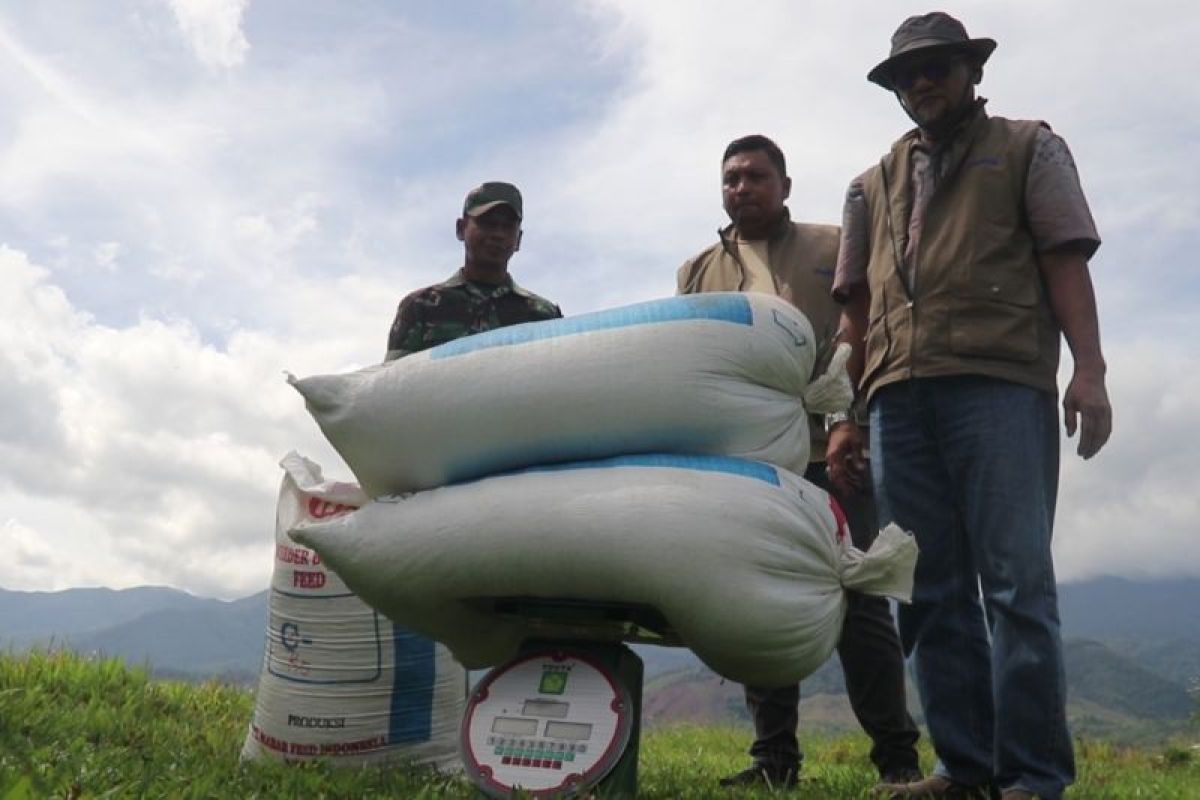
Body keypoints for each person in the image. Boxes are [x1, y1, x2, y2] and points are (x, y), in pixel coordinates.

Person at [829, 12, 1112, 800]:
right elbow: (853, 313)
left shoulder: (1030, 147)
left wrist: (1088, 370)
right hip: (894, 399)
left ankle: (1032, 777)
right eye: (906, 75)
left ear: (971, 72)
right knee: (926, 588)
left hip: (998, 383)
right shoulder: (868, 185)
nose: (922, 82)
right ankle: (965, 769)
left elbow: (1064, 260)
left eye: (938, 67)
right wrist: (846, 414)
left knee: (1016, 583)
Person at [677, 134, 922, 792]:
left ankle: (898, 758)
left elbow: (866, 332)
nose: (741, 188)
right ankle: (773, 760)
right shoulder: (697, 270)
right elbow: (692, 365)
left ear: (785, 186)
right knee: (762, 599)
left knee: (861, 597)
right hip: (747, 460)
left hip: (832, 449)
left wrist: (853, 423)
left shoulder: (832, 244)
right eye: (730, 178)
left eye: (756, 176)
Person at [385, 181, 561, 361]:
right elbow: (394, 381)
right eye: (487, 223)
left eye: (508, 227)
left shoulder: (544, 317)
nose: (498, 234)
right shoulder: (420, 307)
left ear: (518, 240)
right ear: (461, 229)